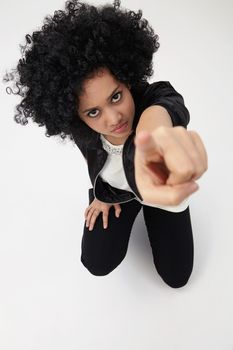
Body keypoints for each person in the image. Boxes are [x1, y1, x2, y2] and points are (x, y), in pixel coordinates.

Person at [3, 0, 208, 287]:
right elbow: (95, 158)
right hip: (118, 194)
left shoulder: (153, 101)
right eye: (93, 112)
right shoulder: (82, 130)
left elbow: (168, 106)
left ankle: (150, 207)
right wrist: (102, 195)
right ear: (74, 116)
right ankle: (132, 201)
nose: (114, 119)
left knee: (177, 278)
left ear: (127, 78)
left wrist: (151, 132)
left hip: (164, 195)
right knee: (96, 262)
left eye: (116, 96)